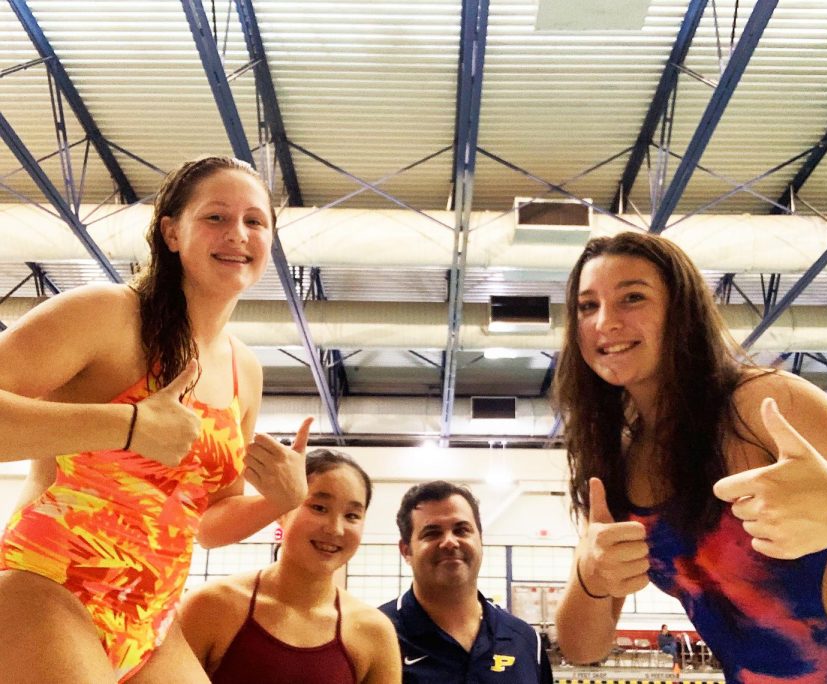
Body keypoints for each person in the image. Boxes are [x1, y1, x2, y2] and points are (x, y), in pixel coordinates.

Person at [0, 156, 310, 683]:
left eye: (255, 221)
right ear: (171, 232)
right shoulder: (107, 315)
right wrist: (126, 425)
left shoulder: (244, 370)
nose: (238, 234)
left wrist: (280, 502)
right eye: (216, 217)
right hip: (48, 585)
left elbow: (209, 521)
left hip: (152, 621)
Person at [552, 232, 827, 682]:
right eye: (587, 305)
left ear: (682, 311)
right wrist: (590, 579)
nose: (605, 322)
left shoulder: (767, 405)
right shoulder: (614, 465)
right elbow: (582, 649)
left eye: (632, 297)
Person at [178, 448, 401, 683]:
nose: (335, 528)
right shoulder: (210, 606)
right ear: (281, 510)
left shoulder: (374, 632)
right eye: (319, 508)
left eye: (352, 516)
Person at [379, 480, 553, 683]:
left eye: (461, 530)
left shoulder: (524, 640)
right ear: (406, 550)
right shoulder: (376, 635)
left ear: (481, 540)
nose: (450, 542)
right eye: (432, 533)